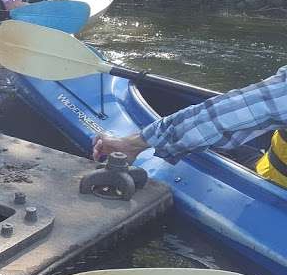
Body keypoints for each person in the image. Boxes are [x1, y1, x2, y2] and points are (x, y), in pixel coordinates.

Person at [92, 65, 287, 189]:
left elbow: (214, 118)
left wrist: (133, 144)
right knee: (229, 147)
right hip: (268, 165)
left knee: (208, 145)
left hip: (274, 184)